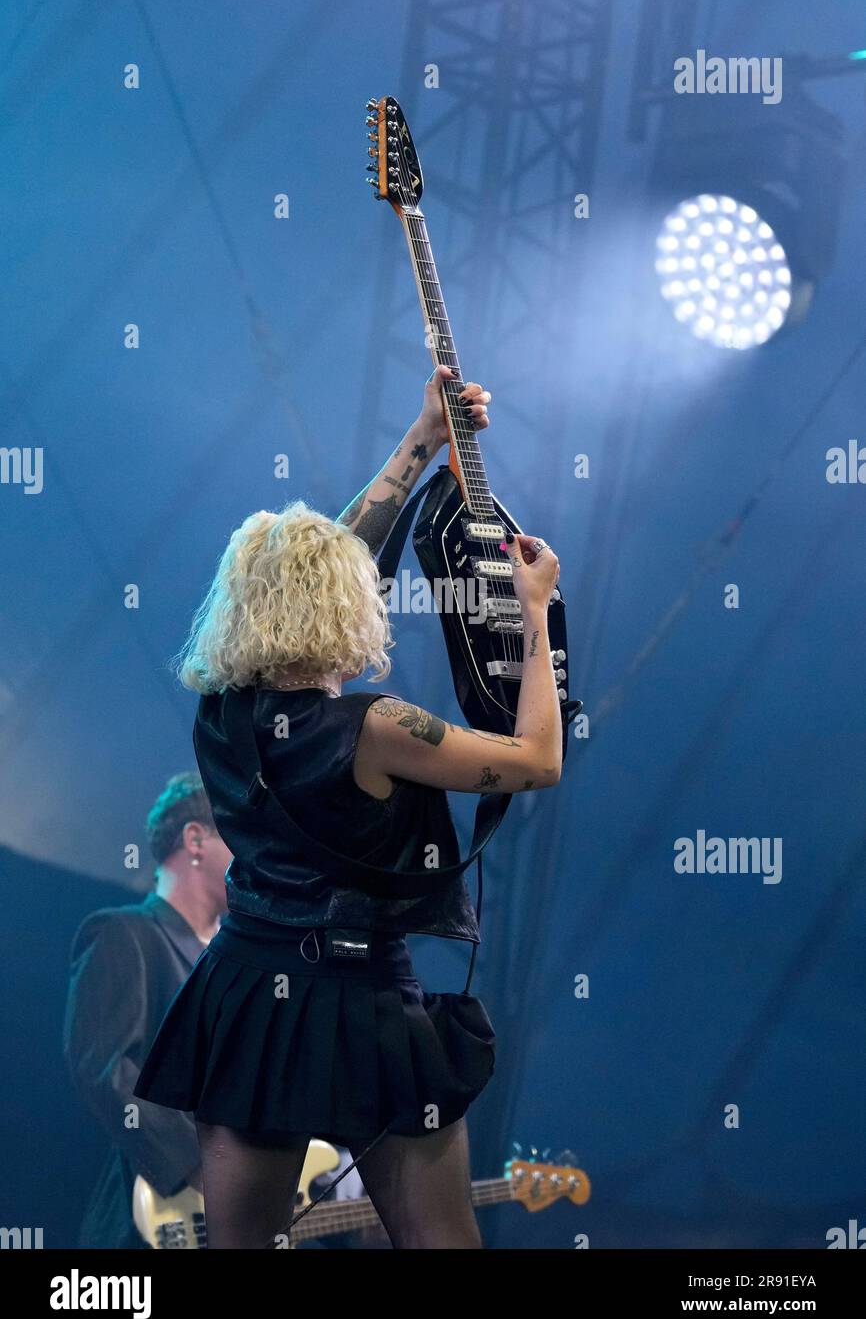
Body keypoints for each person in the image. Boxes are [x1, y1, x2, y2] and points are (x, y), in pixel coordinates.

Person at [135, 366, 563, 1249]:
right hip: (362, 999)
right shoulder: (378, 728)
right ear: (345, 603)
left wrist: (421, 439)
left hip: (250, 993)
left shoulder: (221, 712)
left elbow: (336, 556)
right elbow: (538, 762)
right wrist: (533, 618)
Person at [63, 773, 230, 1248]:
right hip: (150, 1220)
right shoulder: (125, 934)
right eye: (238, 835)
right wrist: (198, 1165)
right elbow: (107, 1068)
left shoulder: (242, 965)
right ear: (195, 838)